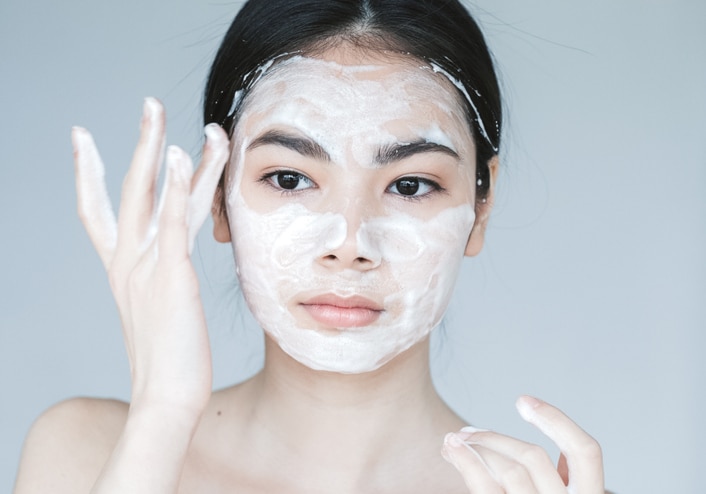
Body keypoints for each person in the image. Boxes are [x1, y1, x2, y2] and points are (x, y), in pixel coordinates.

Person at [14, 0, 605, 492]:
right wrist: (161, 418)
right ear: (217, 197)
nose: (349, 245)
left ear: (481, 207)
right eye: (290, 178)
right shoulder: (84, 454)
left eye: (410, 185)